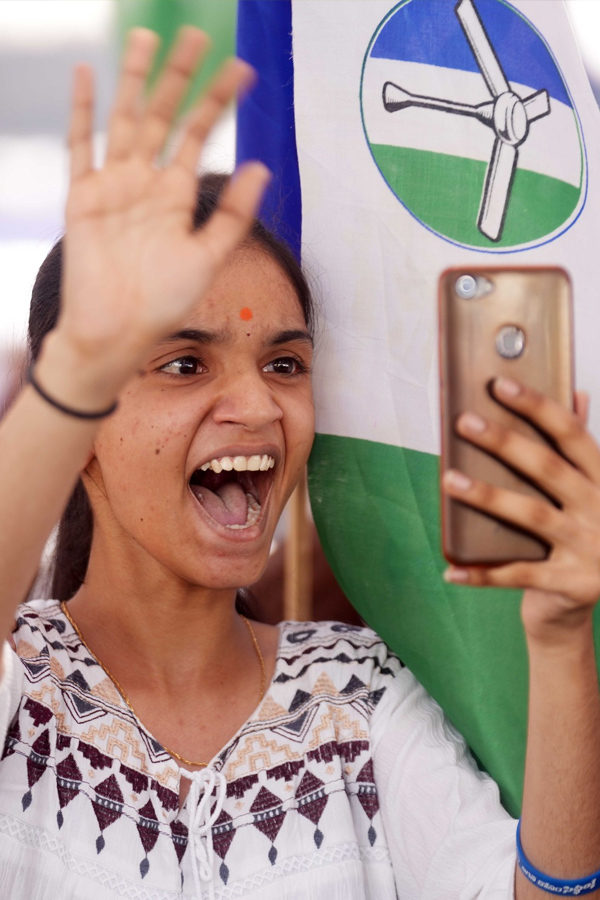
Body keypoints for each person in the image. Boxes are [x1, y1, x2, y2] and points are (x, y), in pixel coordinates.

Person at [0, 26, 598, 900]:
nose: (259, 407)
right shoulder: (26, 695)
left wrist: (557, 643)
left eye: (286, 363)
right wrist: (80, 368)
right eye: (183, 363)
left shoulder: (359, 694)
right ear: (85, 418)